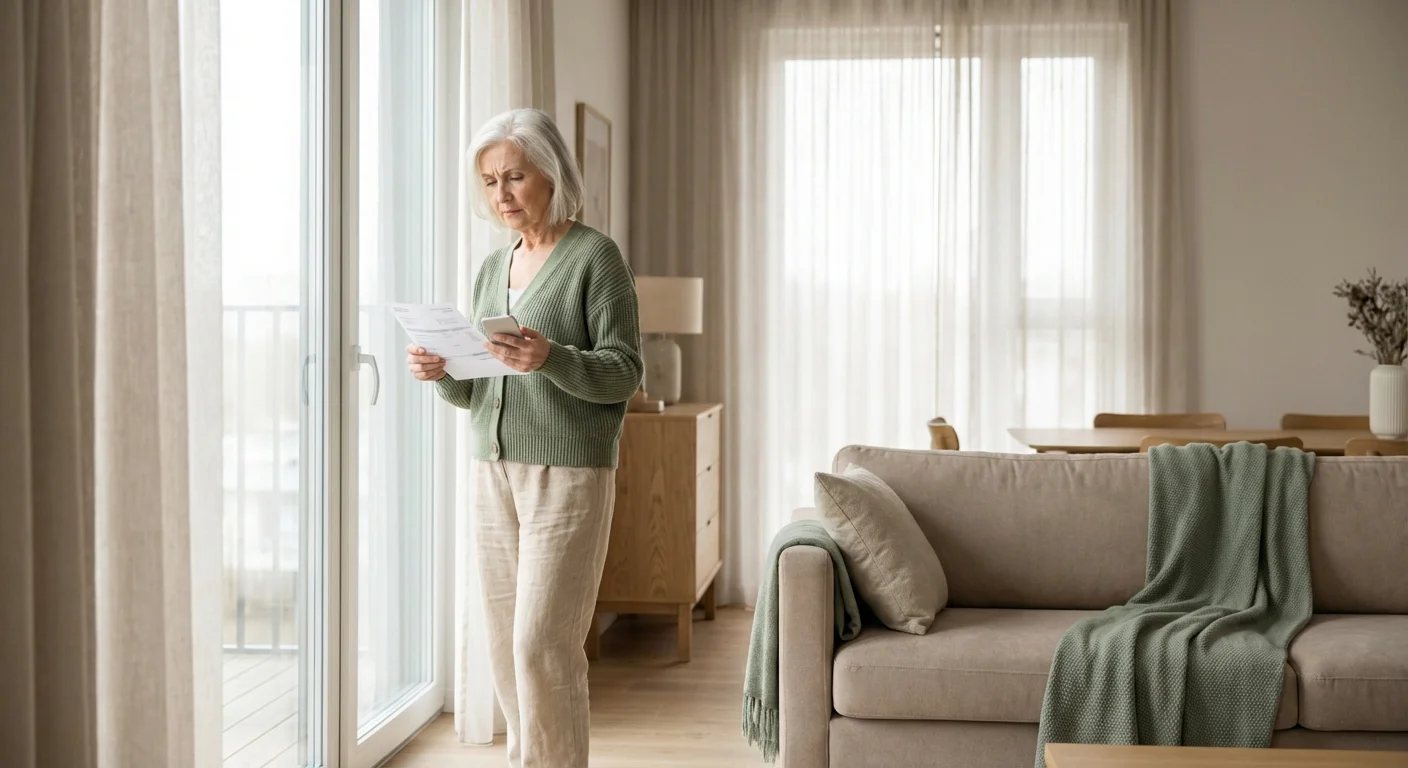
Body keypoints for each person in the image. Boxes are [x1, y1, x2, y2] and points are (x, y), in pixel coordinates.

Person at [404, 107, 643, 768]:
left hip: (567, 477)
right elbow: (479, 391)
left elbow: (625, 373)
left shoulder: (596, 257)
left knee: (543, 642)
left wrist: (552, 358)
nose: (502, 194)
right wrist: (442, 371)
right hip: (492, 472)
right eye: (489, 181)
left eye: (514, 177)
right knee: (508, 643)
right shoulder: (492, 268)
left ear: (551, 174)